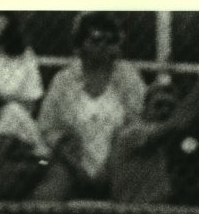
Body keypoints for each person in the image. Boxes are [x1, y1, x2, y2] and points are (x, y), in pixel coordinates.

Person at [34, 12, 145, 200]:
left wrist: (111, 165)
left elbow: (138, 124)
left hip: (119, 161)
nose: (103, 46)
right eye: (96, 39)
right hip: (72, 164)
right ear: (80, 44)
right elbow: (47, 128)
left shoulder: (129, 77)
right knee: (48, 193)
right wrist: (75, 167)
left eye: (110, 41)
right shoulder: (64, 79)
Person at [109, 55, 199, 209]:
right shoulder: (133, 133)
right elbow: (176, 124)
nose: (165, 111)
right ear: (145, 109)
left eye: (170, 107)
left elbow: (178, 123)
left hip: (154, 213)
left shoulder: (166, 143)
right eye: (159, 105)